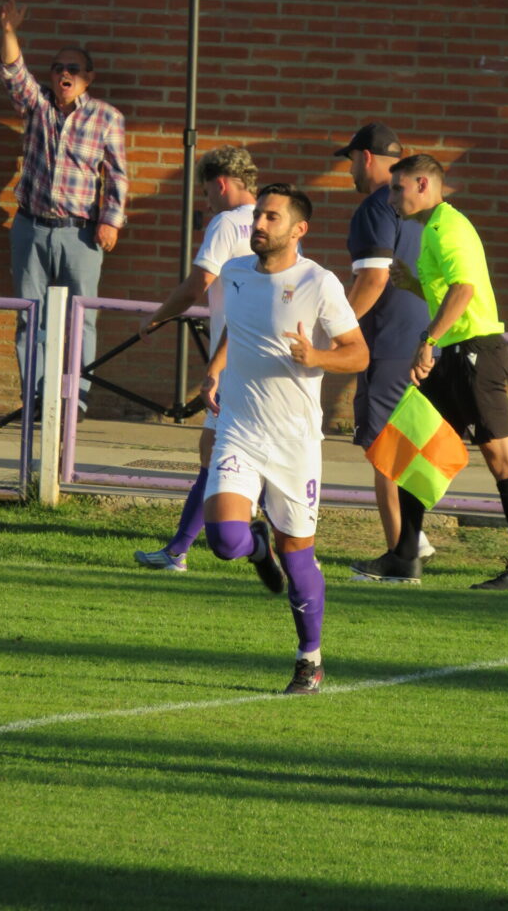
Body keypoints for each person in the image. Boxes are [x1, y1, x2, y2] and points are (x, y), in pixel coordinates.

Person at [201, 183, 369, 693]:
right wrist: (215, 370)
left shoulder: (320, 282)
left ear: (299, 229)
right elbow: (239, 329)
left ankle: (309, 661)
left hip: (295, 442)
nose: (258, 225)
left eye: (271, 218)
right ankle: (255, 546)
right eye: (257, 216)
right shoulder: (234, 274)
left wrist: (317, 357)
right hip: (240, 429)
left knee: (299, 557)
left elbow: (358, 353)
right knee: (224, 540)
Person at [356, 153, 508, 591]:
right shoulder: (431, 229)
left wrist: (428, 342)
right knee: (410, 441)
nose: (392, 197)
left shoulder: (446, 227)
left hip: (475, 354)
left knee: (502, 458)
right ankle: (405, 556)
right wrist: (413, 285)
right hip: (458, 354)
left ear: (424, 185)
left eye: (397, 188)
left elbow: (464, 290)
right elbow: (449, 290)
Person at [0, 0, 128, 417]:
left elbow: (118, 175)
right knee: (29, 318)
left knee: (81, 319)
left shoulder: (107, 118)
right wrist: (8, 31)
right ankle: (35, 401)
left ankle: (75, 402)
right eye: (58, 68)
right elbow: (15, 75)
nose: (64, 74)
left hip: (81, 233)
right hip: (31, 228)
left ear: (88, 77)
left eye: (73, 69)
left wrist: (111, 222)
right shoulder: (37, 108)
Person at [134, 146, 257, 572]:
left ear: (221, 184)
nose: (206, 201)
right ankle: (179, 549)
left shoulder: (225, 222)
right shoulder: (272, 221)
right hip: (260, 353)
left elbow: (196, 286)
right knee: (222, 451)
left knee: (213, 454)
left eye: (207, 191)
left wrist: (156, 317)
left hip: (235, 359)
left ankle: (189, 550)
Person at [332, 122, 435, 577]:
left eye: (351, 159)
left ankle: (401, 557)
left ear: (366, 158)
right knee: (409, 448)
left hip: (391, 341)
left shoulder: (376, 206)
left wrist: (338, 331)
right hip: (427, 340)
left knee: (385, 452)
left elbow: (373, 278)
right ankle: (416, 540)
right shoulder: (425, 208)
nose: (351, 170)